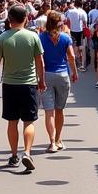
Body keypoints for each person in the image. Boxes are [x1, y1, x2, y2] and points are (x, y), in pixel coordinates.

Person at [0, 3, 46, 172]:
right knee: (29, 121)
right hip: (29, 84)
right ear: (27, 19)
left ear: (9, 19)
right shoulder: (33, 37)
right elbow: (40, 62)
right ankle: (27, 152)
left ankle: (14, 155)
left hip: (9, 84)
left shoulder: (3, 38)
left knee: (12, 122)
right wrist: (41, 80)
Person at [39, 10, 78, 153]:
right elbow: (72, 56)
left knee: (49, 112)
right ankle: (58, 139)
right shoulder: (65, 38)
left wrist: (39, 77)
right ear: (60, 22)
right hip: (62, 75)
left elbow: (39, 59)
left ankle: (52, 142)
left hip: (46, 75)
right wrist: (75, 72)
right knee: (59, 110)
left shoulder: (41, 37)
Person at [65, 0, 88, 71]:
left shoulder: (68, 12)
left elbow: (66, 20)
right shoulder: (79, 11)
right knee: (80, 44)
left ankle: (76, 58)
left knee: (74, 45)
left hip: (72, 30)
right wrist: (85, 26)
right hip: (80, 30)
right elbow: (84, 20)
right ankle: (80, 58)